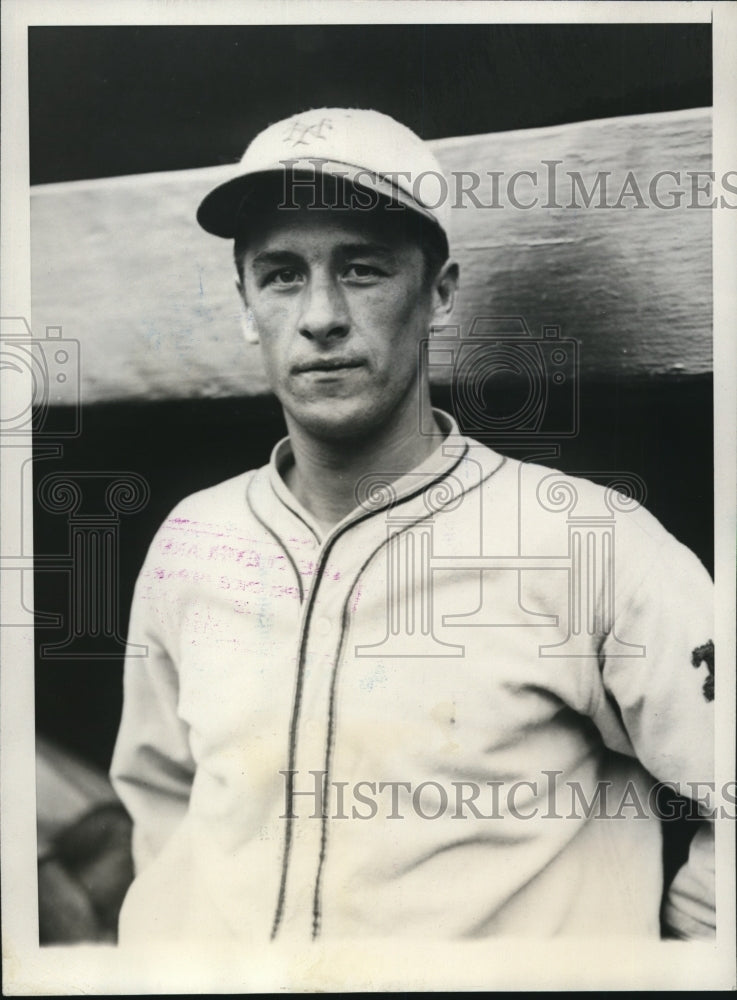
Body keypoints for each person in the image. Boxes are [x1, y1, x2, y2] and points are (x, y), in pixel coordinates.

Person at [110, 108, 715, 943]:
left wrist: (676, 966)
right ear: (245, 304)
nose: (320, 315)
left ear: (437, 293)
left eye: (361, 270)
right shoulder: (193, 542)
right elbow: (163, 808)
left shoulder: (587, 541)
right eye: (282, 275)